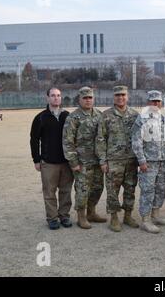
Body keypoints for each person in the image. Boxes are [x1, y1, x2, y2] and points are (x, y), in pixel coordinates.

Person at [96, 85, 140, 232]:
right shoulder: (106, 115)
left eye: (123, 95)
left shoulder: (135, 115)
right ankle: (114, 217)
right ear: (113, 97)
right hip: (113, 160)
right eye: (117, 95)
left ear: (127, 97)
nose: (120, 98)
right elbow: (100, 139)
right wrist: (102, 160)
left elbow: (139, 137)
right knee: (112, 190)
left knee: (130, 189)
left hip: (131, 160)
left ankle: (128, 215)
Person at [30, 88, 74, 230]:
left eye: (58, 95)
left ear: (61, 98)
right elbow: (34, 140)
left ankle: (64, 216)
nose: (56, 98)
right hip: (48, 162)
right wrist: (36, 160)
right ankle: (52, 218)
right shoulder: (40, 117)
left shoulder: (68, 116)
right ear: (47, 98)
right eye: (53, 95)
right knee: (49, 192)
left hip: (66, 162)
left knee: (65, 191)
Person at [63, 86, 106, 229]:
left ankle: (91, 212)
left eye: (90, 98)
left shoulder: (99, 115)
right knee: (82, 190)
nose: (88, 100)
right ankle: (81, 217)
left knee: (98, 188)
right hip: (82, 162)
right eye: (85, 98)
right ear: (79, 99)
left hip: (97, 161)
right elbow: (68, 141)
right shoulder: (73, 117)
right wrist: (73, 162)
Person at [132, 90, 165, 234]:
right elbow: (136, 141)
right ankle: (146, 220)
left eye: (158, 101)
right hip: (148, 162)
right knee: (147, 190)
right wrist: (141, 160)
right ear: (148, 102)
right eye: (153, 101)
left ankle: (156, 214)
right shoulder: (142, 119)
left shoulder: (162, 118)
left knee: (161, 189)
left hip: (161, 161)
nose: (156, 104)